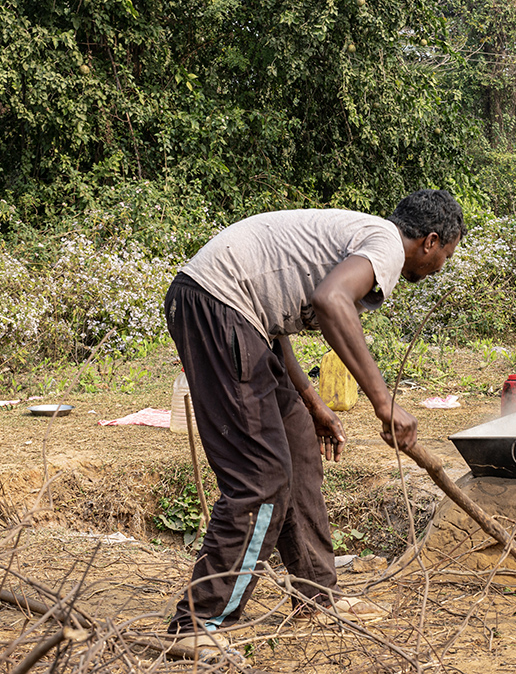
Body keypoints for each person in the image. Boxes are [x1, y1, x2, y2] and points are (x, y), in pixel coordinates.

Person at [162, 189, 464, 657]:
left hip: (237, 315)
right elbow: (330, 302)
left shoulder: (361, 235)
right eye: (447, 253)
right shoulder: (383, 243)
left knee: (300, 447)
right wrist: (385, 403)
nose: (441, 265)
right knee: (260, 478)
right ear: (429, 241)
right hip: (217, 306)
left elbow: (274, 323)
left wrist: (312, 401)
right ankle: (198, 623)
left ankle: (316, 597)